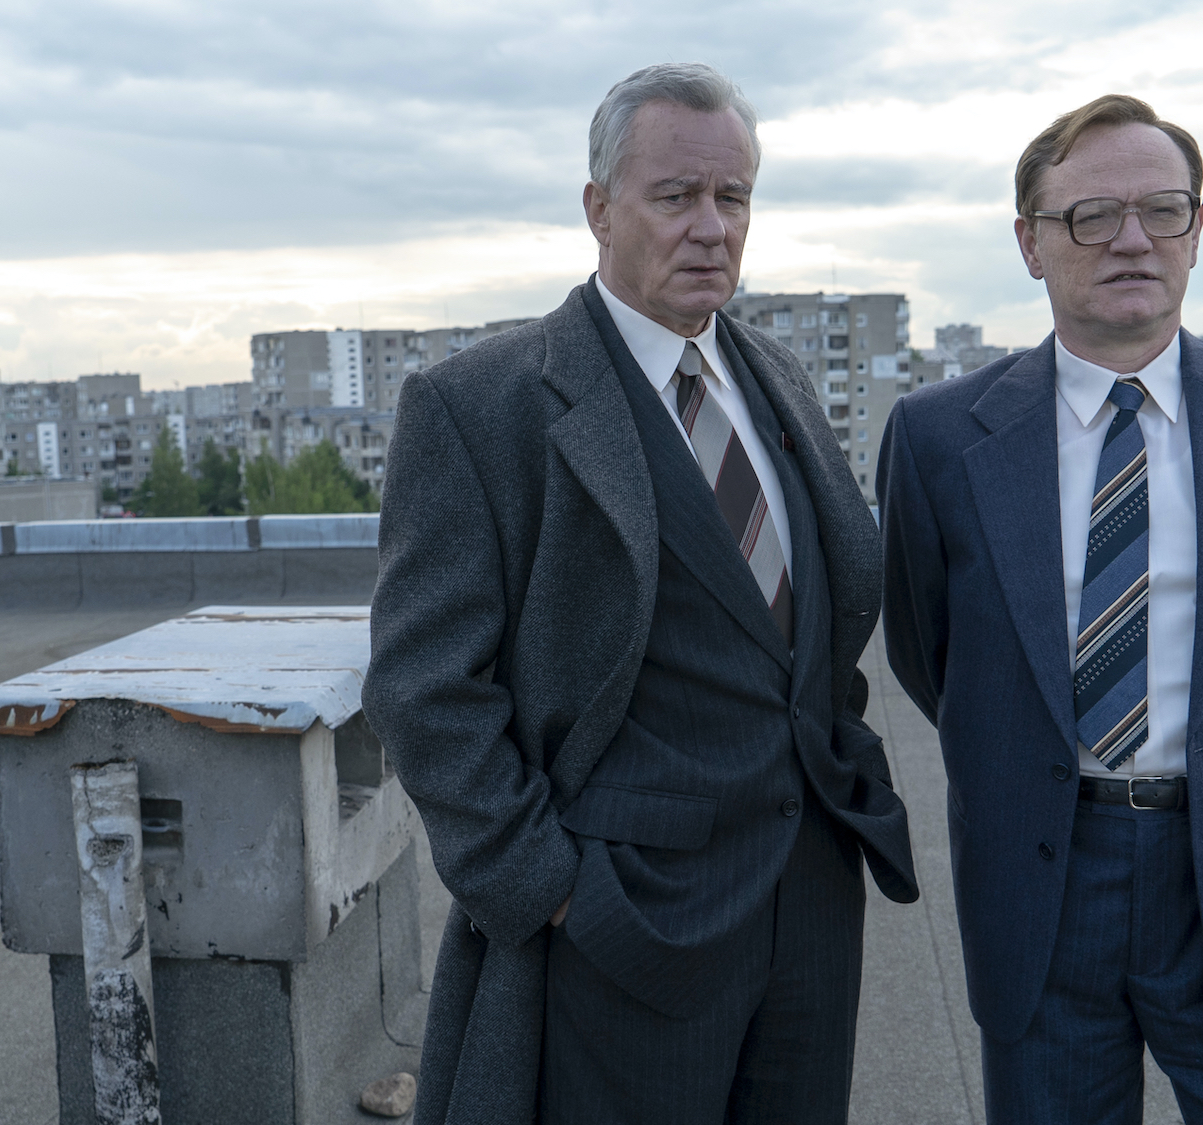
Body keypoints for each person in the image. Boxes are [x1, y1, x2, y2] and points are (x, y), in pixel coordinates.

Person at [362, 62, 918, 1125]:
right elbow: (423, 690)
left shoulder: (778, 378)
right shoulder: (478, 407)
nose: (711, 227)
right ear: (597, 208)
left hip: (808, 910)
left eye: (733, 197)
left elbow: (811, 636)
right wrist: (554, 892)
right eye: (675, 197)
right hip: (623, 931)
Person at [878, 93, 1203, 1123]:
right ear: (1029, 242)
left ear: (1195, 230)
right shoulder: (938, 438)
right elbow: (929, 654)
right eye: (1087, 216)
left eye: (1161, 210)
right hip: (1044, 878)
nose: (1129, 240)